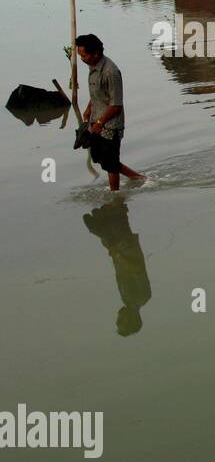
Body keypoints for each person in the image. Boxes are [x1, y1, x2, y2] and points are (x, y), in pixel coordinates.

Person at [76, 33, 145, 191]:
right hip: (96, 120)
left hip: (110, 124)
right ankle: (138, 178)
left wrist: (100, 123)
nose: (82, 59)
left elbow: (116, 105)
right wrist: (89, 109)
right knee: (99, 158)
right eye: (80, 55)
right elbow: (97, 93)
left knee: (111, 164)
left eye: (84, 55)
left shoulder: (110, 72)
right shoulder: (92, 66)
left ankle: (115, 195)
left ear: (96, 53)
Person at [82, 199, 152, 336]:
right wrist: (117, 255)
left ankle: (115, 191)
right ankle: (118, 189)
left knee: (98, 219)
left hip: (118, 245)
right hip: (125, 245)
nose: (118, 318)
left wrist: (111, 250)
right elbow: (137, 269)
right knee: (110, 214)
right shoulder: (140, 298)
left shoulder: (128, 300)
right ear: (131, 319)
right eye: (120, 321)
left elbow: (122, 270)